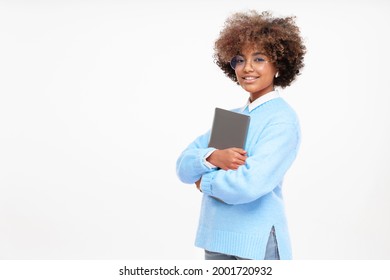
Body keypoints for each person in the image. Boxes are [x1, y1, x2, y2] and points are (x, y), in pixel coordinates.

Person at [176, 10, 306, 260]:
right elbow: (183, 165)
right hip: (215, 238)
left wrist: (206, 182)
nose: (247, 68)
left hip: (255, 243)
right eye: (239, 59)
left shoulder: (282, 120)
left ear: (279, 63)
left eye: (259, 59)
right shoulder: (233, 118)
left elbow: (250, 184)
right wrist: (213, 157)